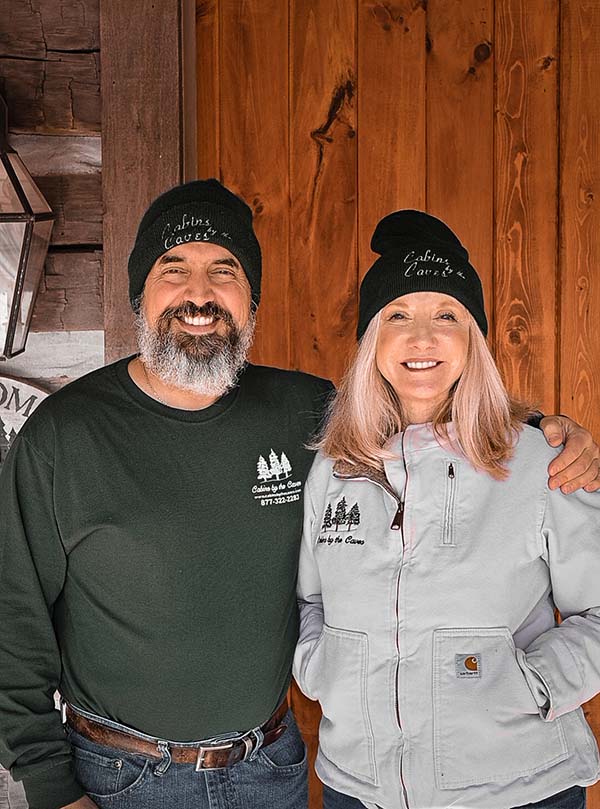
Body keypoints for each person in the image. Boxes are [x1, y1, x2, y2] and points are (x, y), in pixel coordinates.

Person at [0, 184, 596, 809]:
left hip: (271, 770)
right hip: (121, 775)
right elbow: (12, 618)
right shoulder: (63, 438)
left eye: (223, 272)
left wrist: (544, 432)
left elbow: (423, 411)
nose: (199, 295)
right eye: (173, 271)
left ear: (251, 298)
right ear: (138, 296)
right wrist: (50, 787)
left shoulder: (308, 415)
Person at [294, 210, 600, 809]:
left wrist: (532, 686)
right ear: (372, 341)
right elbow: (312, 602)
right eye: (398, 315)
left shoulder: (542, 461)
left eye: (448, 316)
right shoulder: (334, 468)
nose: (423, 338)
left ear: (473, 340)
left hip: (519, 789)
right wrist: (322, 667)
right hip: (359, 788)